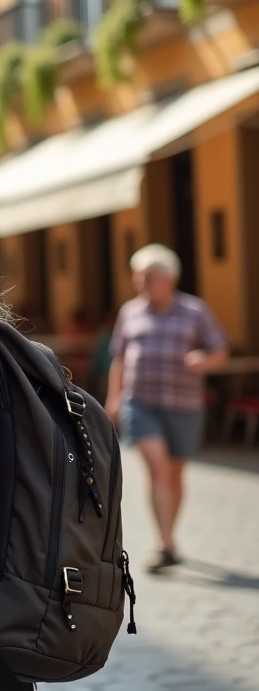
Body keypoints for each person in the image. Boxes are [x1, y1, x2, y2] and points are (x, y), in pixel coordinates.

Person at [105, 244, 227, 574]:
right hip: (141, 403)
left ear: (168, 278)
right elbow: (120, 357)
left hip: (184, 405)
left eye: (147, 277)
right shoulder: (130, 312)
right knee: (158, 468)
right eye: (138, 277)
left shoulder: (194, 311)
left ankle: (169, 535)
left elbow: (220, 349)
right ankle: (164, 543)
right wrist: (113, 399)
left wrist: (205, 360)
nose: (139, 283)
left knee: (174, 474)